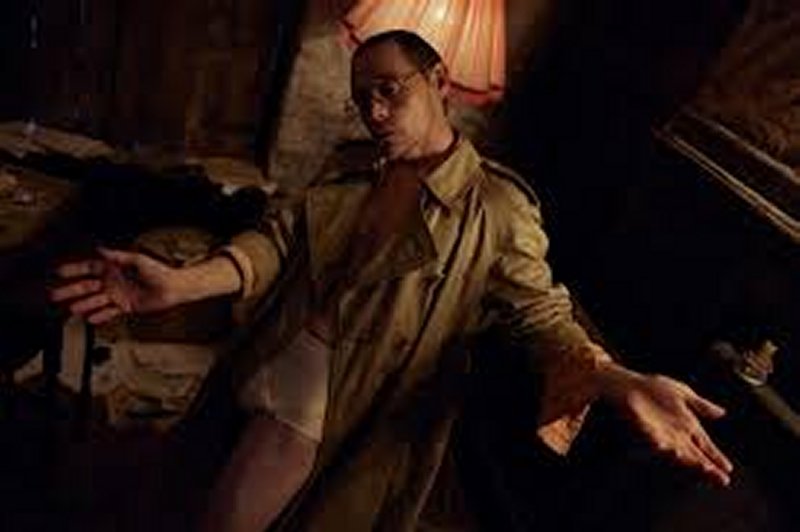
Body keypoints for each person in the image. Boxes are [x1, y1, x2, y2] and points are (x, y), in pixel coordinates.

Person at [51, 30, 733, 532]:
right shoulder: (353, 168)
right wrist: (180, 284)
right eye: (362, 99)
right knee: (185, 491)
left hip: (338, 414)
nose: (374, 112)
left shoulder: (495, 209)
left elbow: (544, 320)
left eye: (389, 90)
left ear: (439, 81)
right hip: (264, 359)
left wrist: (617, 381)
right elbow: (280, 241)